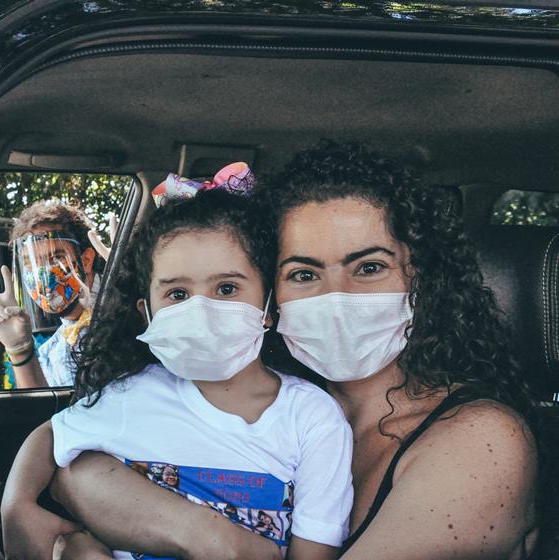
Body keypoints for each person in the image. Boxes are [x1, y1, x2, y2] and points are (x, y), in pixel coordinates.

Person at [41, 141, 540, 560]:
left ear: (420, 277)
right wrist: (204, 534)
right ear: (268, 298)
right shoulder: (265, 403)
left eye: (368, 267)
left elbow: (82, 479)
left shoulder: (481, 439)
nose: (334, 297)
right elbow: (71, 468)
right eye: (304, 274)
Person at [0, 185, 354, 560]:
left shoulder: (312, 417)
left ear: (267, 305)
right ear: (146, 312)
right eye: (178, 295)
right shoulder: (132, 396)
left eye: (227, 288)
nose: (201, 310)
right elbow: (50, 435)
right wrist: (17, 505)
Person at [0, 201, 103, 388]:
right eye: (31, 264)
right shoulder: (52, 350)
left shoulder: (125, 314)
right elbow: (42, 411)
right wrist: (19, 349)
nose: (42, 273)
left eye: (56, 258)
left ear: (86, 260)